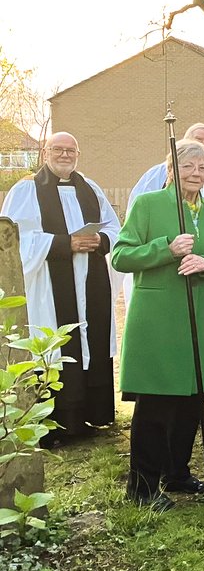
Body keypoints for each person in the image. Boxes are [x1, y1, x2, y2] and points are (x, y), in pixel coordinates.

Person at [111, 141, 204, 509]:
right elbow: (120, 255)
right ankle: (142, 488)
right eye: (188, 166)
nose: (196, 173)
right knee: (154, 406)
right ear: (171, 169)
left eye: (203, 167)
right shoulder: (148, 205)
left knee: (190, 403)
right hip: (156, 321)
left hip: (196, 318)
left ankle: (177, 473)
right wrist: (165, 249)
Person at [1, 132, 120, 437]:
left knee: (91, 341)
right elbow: (12, 240)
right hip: (50, 285)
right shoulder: (26, 190)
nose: (65, 155)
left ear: (78, 154)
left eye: (71, 150)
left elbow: (116, 229)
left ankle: (92, 416)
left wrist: (100, 240)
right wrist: (65, 244)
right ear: (45, 153)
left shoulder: (90, 188)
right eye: (58, 149)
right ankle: (55, 425)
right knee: (57, 343)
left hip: (91, 279)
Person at [123, 122, 204, 304]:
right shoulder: (153, 181)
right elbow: (127, 247)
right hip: (157, 284)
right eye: (198, 140)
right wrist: (166, 249)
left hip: (201, 289)